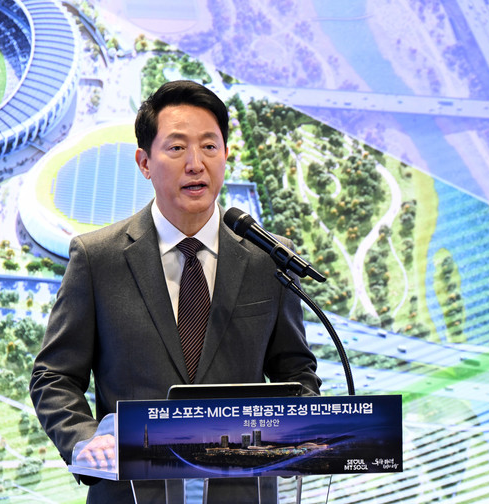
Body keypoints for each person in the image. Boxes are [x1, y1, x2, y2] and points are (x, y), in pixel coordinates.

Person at [29, 80, 321, 503]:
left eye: (209, 146)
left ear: (226, 155)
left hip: (243, 492)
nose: (196, 164)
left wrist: (300, 429)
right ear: (144, 162)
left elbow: (296, 373)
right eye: (177, 147)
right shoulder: (98, 258)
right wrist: (85, 439)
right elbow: (54, 376)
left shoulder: (267, 258)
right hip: (130, 493)